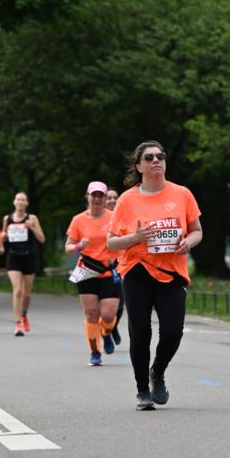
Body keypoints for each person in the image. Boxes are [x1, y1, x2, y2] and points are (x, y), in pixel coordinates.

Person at [107, 140, 202, 409]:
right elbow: (111, 243)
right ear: (139, 166)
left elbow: (197, 230)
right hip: (137, 269)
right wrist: (134, 237)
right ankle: (142, 391)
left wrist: (189, 242)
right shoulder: (127, 200)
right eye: (149, 157)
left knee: (173, 331)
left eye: (160, 156)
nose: (156, 160)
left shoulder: (182, 194)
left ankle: (157, 372)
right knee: (141, 331)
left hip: (171, 270)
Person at [65, 181, 120, 366]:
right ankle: (95, 352)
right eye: (93, 195)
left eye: (100, 195)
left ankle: (106, 333)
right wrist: (79, 246)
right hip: (86, 269)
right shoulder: (78, 220)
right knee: (91, 314)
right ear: (87, 197)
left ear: (105, 198)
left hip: (109, 270)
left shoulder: (115, 217)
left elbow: (124, 240)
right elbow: (68, 248)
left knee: (108, 315)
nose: (97, 199)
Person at [3, 192, 46, 336]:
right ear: (14, 202)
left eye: (23, 200)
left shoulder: (32, 218)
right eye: (18, 199)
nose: (20, 202)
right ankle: (18, 324)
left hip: (29, 257)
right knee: (17, 291)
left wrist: (32, 227)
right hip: (13, 257)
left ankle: (23, 314)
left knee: (26, 294)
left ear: (26, 203)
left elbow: (42, 239)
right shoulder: (7, 219)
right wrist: (2, 237)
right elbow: (3, 237)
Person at [105, 188, 125, 346]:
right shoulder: (96, 216)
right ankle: (107, 329)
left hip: (120, 264)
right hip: (101, 266)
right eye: (108, 198)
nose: (112, 200)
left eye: (115, 197)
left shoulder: (124, 215)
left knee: (121, 302)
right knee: (105, 304)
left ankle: (114, 327)